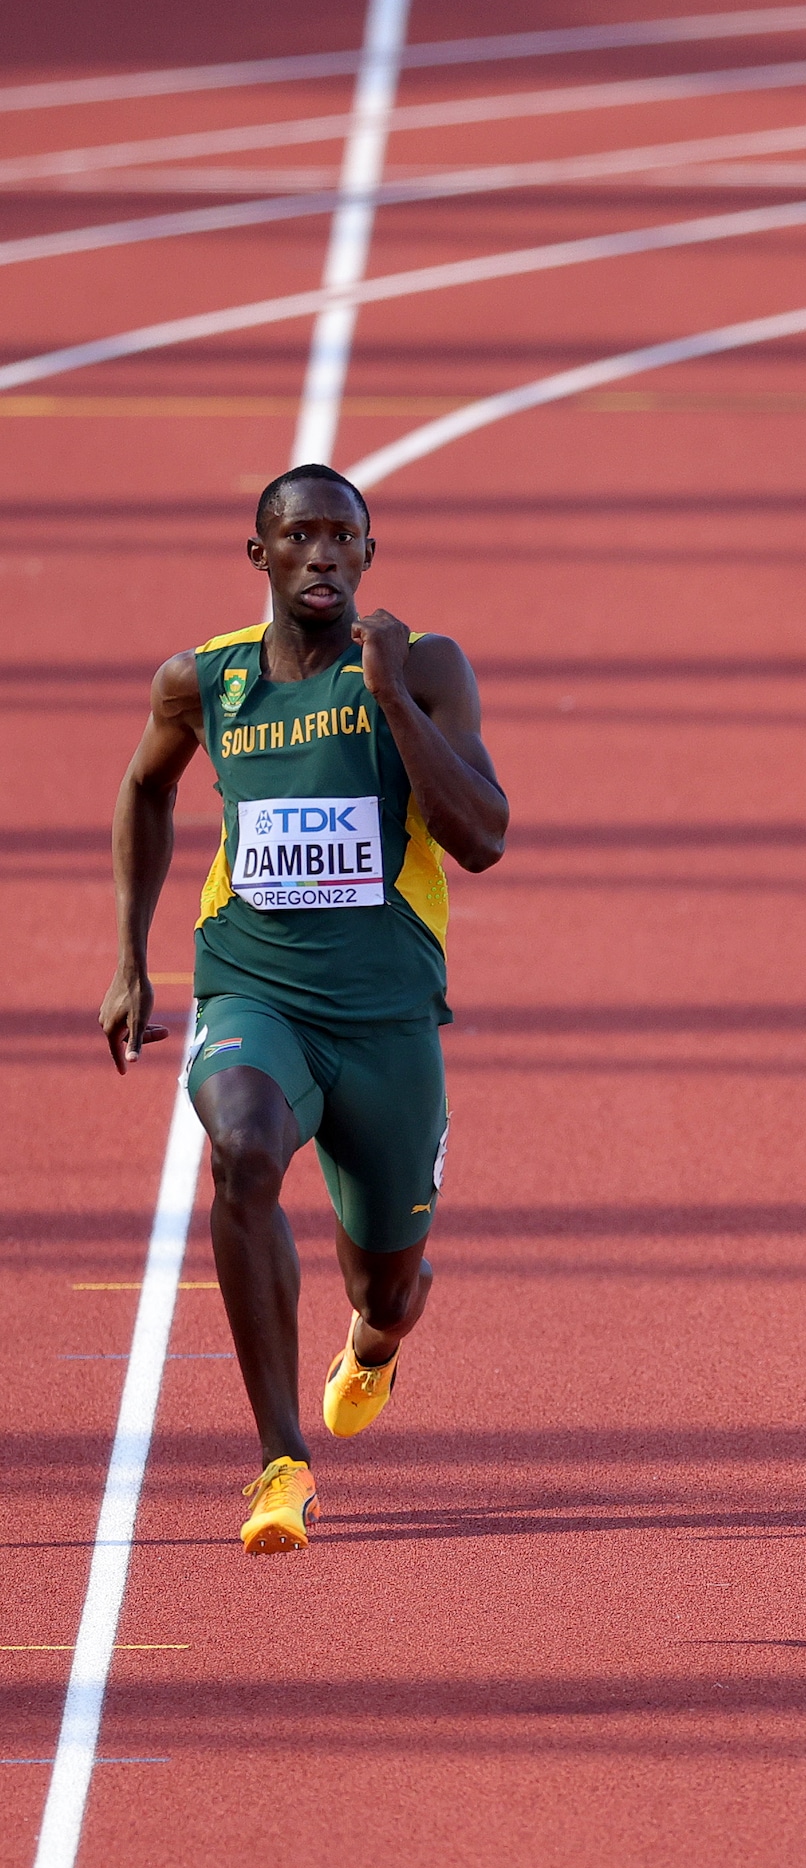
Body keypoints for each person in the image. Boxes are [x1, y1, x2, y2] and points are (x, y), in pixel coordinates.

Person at [99, 464, 507, 1553]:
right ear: (261, 557)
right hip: (254, 991)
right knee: (240, 1149)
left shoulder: (422, 669)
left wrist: (386, 700)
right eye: (299, 536)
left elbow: (482, 835)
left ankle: (369, 1347)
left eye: (342, 537)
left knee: (391, 1284)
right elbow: (146, 785)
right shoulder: (205, 682)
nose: (321, 554)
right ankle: (281, 1462)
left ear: (369, 557)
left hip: (387, 1023)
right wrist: (134, 962)